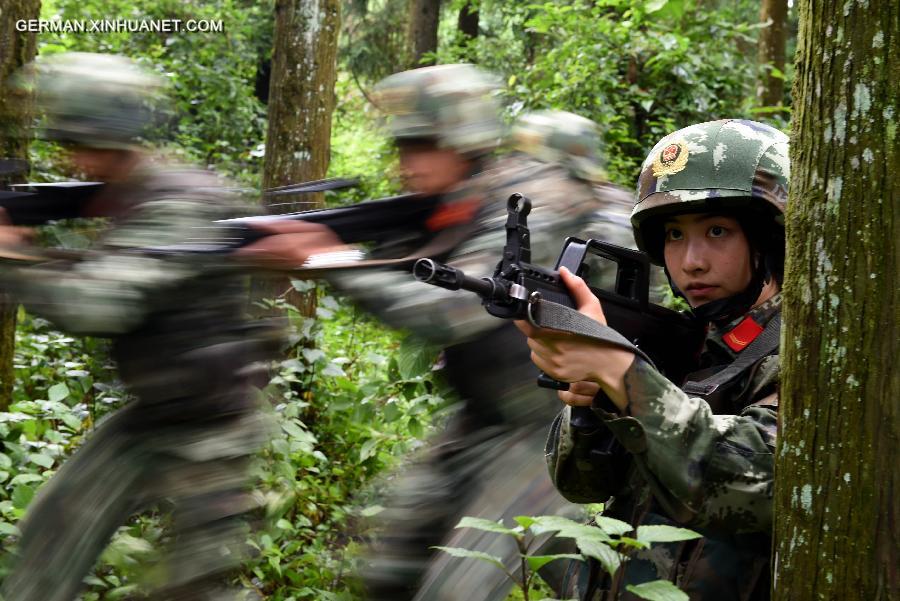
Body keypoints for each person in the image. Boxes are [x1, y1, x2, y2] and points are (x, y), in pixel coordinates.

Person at [240, 65, 636, 601]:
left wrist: (326, 258)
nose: (406, 162)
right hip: (480, 421)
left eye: (422, 145)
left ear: (463, 141)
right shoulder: (457, 205)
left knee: (456, 592)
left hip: (544, 433)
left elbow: (448, 313)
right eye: (402, 146)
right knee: (387, 568)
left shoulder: (528, 202)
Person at [0, 53, 278, 601]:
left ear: (111, 137)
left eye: (78, 144)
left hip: (212, 429)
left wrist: (13, 255)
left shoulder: (181, 203)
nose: (71, 159)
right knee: (50, 538)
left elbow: (98, 307)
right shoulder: (125, 195)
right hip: (152, 416)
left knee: (192, 588)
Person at [517, 119, 788, 600]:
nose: (691, 261)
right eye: (675, 236)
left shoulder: (799, 349)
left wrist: (621, 371)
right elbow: (582, 483)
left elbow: (755, 487)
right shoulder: (687, 344)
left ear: (769, 240)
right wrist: (592, 406)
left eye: (718, 231)